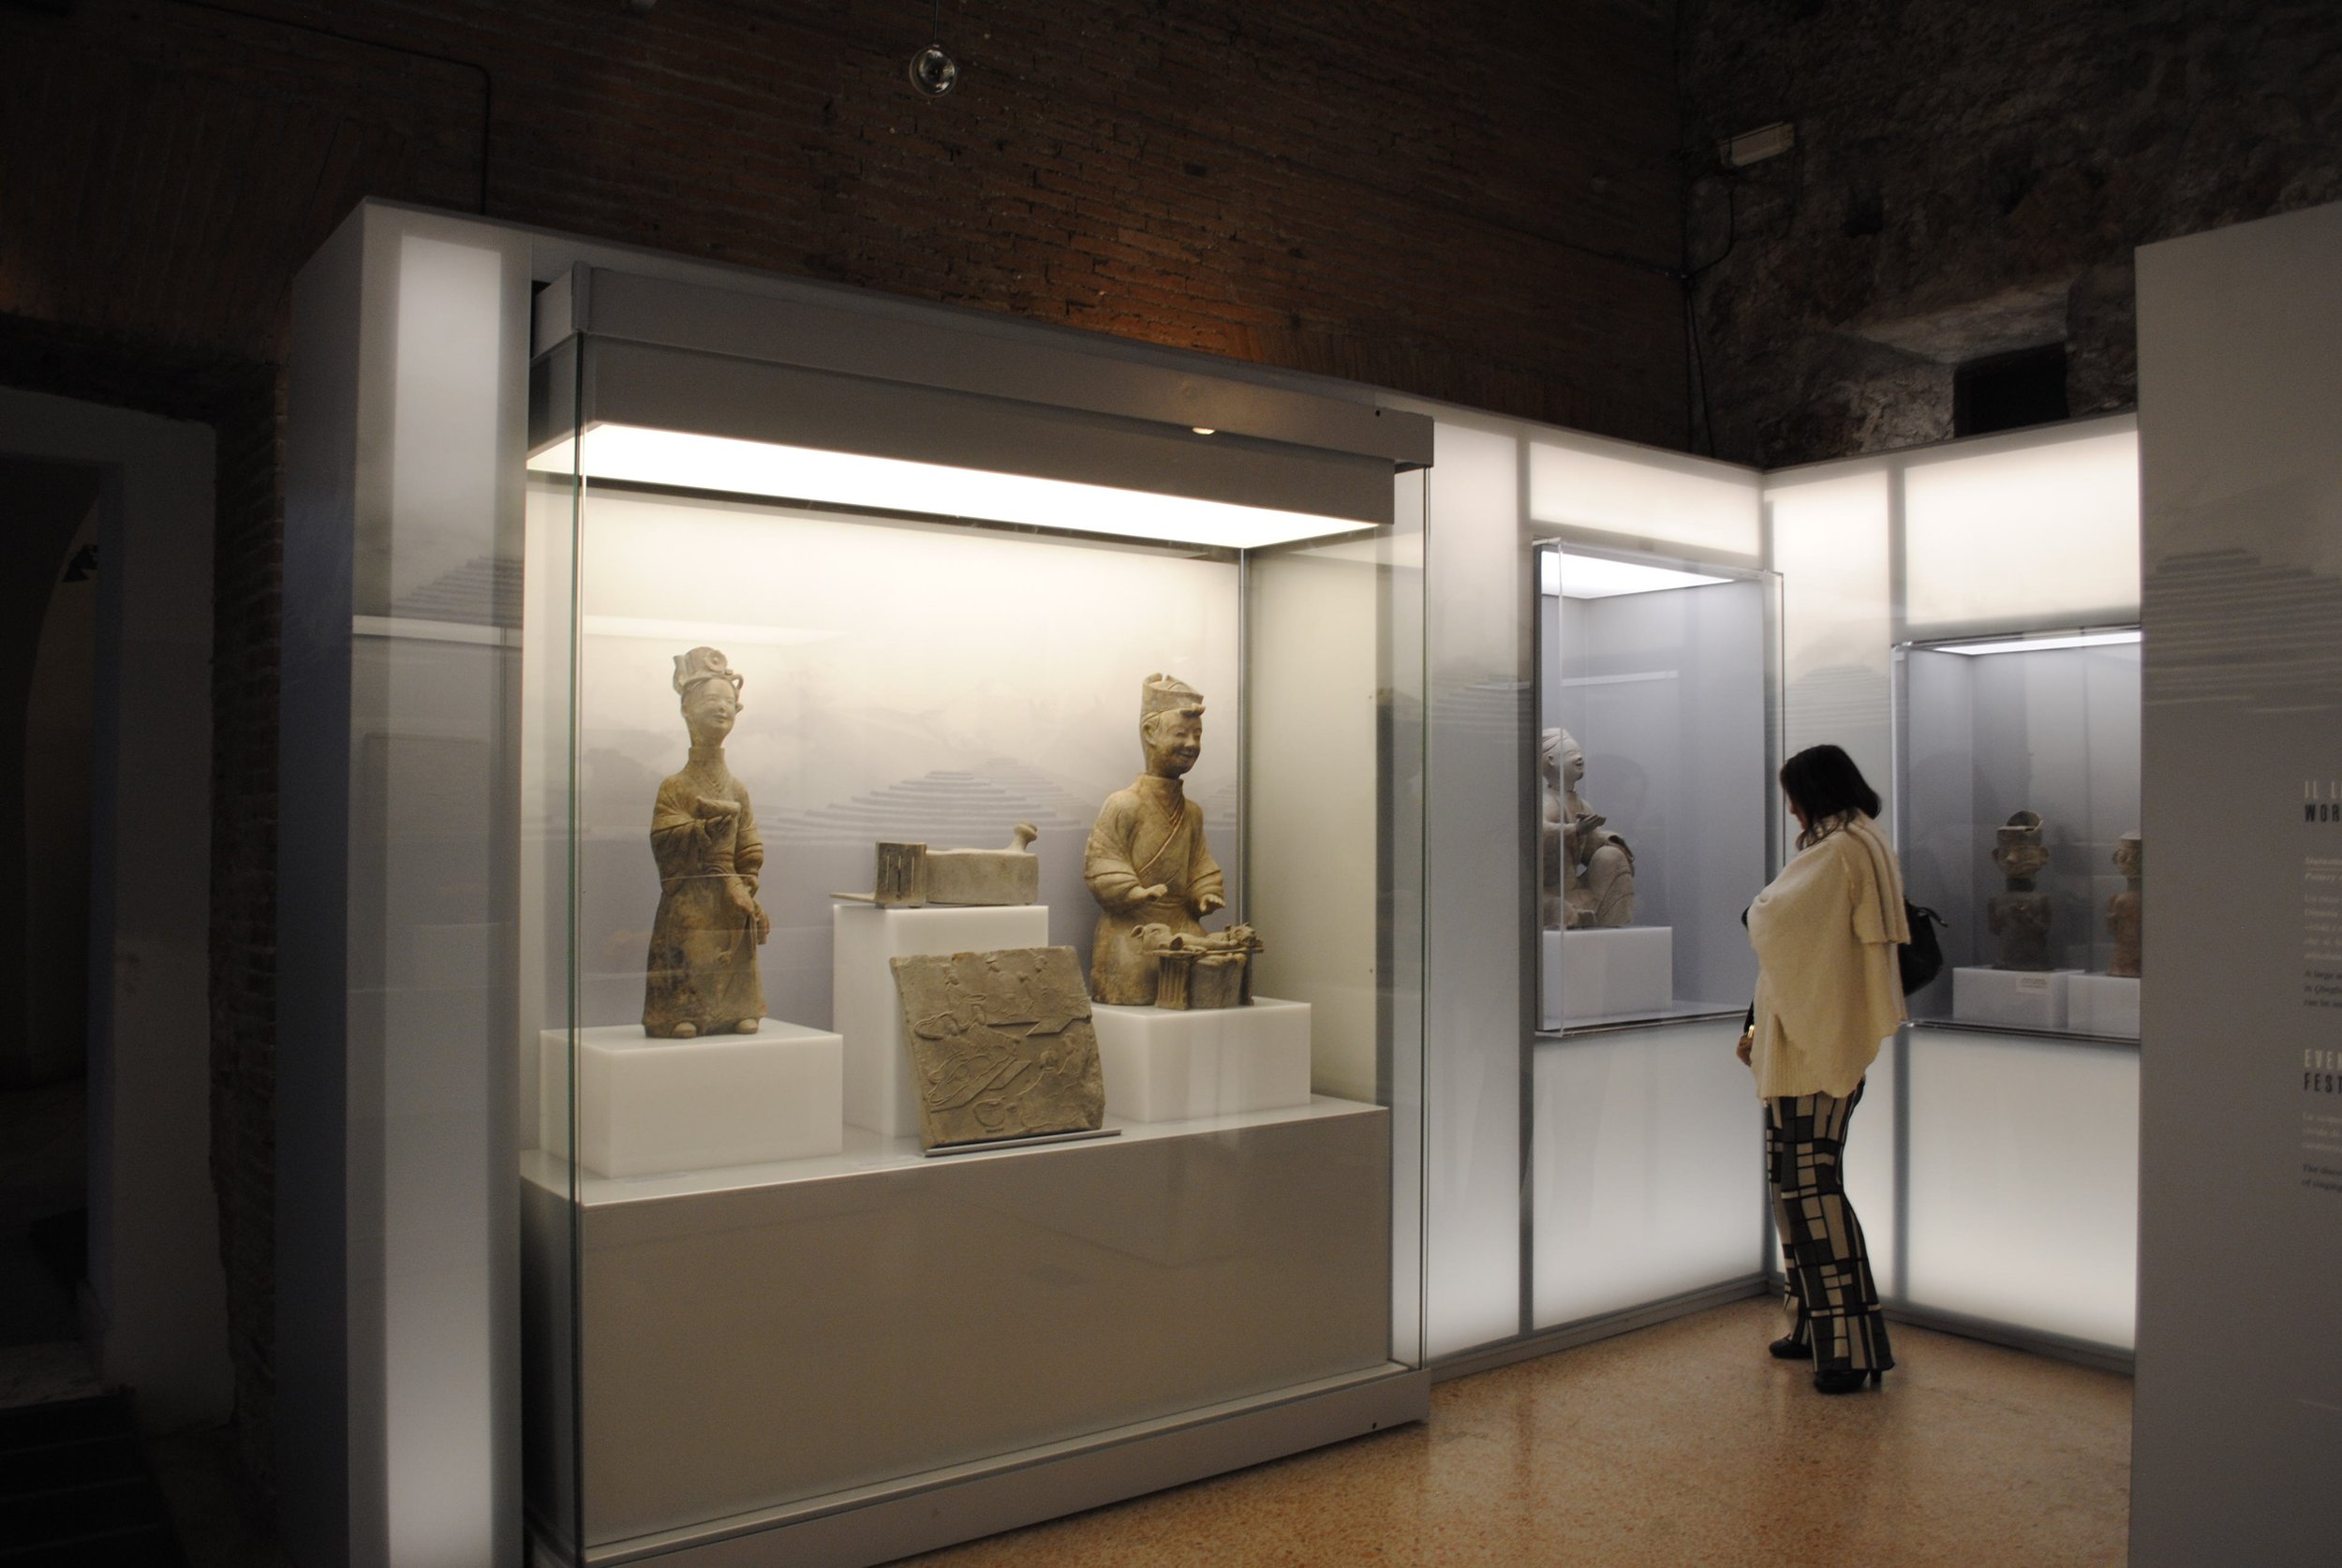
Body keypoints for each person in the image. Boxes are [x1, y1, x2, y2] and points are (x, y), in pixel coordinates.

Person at [1737, 744, 1906, 1394]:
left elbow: (1769, 917)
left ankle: (1851, 1347)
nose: (1790, 808)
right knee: (1795, 1186)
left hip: (1815, 1047)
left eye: (1793, 795)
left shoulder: (1835, 851)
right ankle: (1815, 1326)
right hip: (1812, 1040)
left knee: (1808, 1188)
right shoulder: (1863, 839)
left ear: (1812, 792)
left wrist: (1759, 907)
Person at [643, 647, 771, 1038]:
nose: (722, 708)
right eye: (711, 700)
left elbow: (749, 841)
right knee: (690, 942)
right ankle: (682, 1011)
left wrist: (747, 875)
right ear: (687, 709)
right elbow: (663, 837)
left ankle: (737, 1010)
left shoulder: (737, 787)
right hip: (691, 892)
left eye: (729, 701)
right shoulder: (675, 786)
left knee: (734, 943)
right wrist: (703, 831)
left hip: (730, 890)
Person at [1084, 673, 1226, 1004]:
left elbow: (1200, 863)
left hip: (1181, 925)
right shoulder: (1124, 804)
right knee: (1134, 982)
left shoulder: (1192, 813)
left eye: (1197, 735)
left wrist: (1205, 892)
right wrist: (1133, 891)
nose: (1192, 744)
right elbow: (1103, 860)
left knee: (1219, 966)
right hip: (1132, 930)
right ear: (1150, 732)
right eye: (1181, 733)